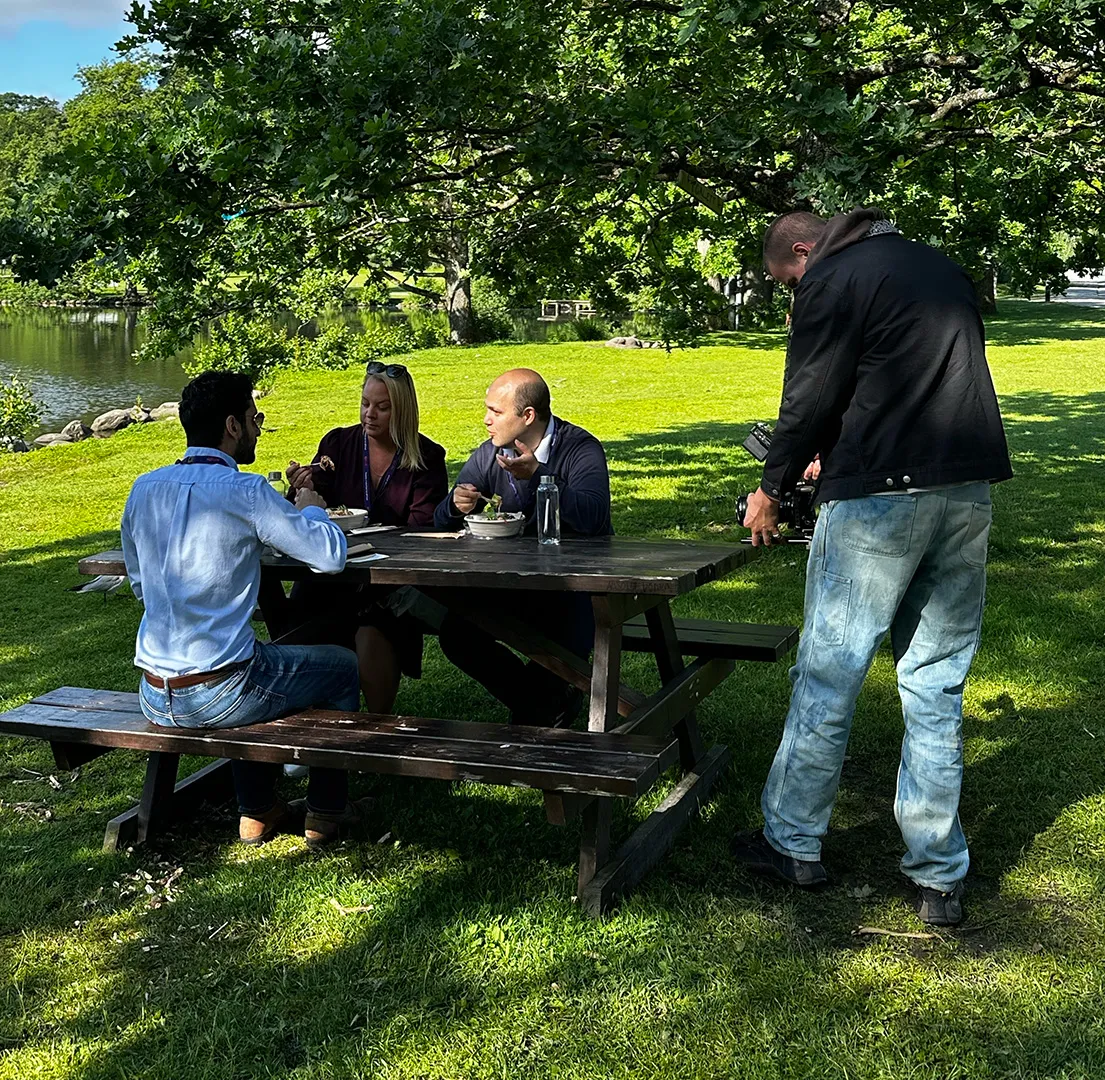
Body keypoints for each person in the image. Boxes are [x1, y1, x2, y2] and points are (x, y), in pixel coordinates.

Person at [734, 208, 1012, 926]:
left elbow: (810, 394)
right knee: (935, 682)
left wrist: (771, 487)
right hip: (964, 489)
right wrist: (843, 444)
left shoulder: (832, 276)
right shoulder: (936, 266)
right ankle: (938, 878)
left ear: (803, 251)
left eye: (786, 280)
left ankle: (791, 843)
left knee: (829, 672)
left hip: (878, 504)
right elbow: (901, 376)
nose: (794, 293)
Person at [120, 370, 366, 850]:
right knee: (340, 666)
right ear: (233, 426)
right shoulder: (245, 491)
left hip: (153, 691)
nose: (257, 429)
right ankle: (324, 814)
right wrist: (312, 507)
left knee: (262, 656)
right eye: (255, 419)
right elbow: (329, 555)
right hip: (220, 693)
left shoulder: (143, 489)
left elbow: (140, 587)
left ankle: (258, 810)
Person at [433, 368, 612, 726]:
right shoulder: (490, 454)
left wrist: (541, 477)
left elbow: (594, 518)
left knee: (555, 650)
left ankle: (542, 706)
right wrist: (456, 505)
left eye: (496, 412)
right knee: (457, 631)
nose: (486, 420)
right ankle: (544, 703)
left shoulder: (580, 448)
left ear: (528, 416)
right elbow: (440, 521)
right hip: (513, 586)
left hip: (572, 593)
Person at [285, 360, 448, 713]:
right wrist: (302, 487)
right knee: (300, 608)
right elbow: (316, 503)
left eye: (382, 407)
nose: (369, 414)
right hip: (333, 569)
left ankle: (374, 727)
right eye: (365, 403)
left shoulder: (427, 457)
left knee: (373, 624)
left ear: (402, 411)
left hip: (387, 579)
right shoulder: (338, 443)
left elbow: (421, 529)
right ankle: (305, 715)